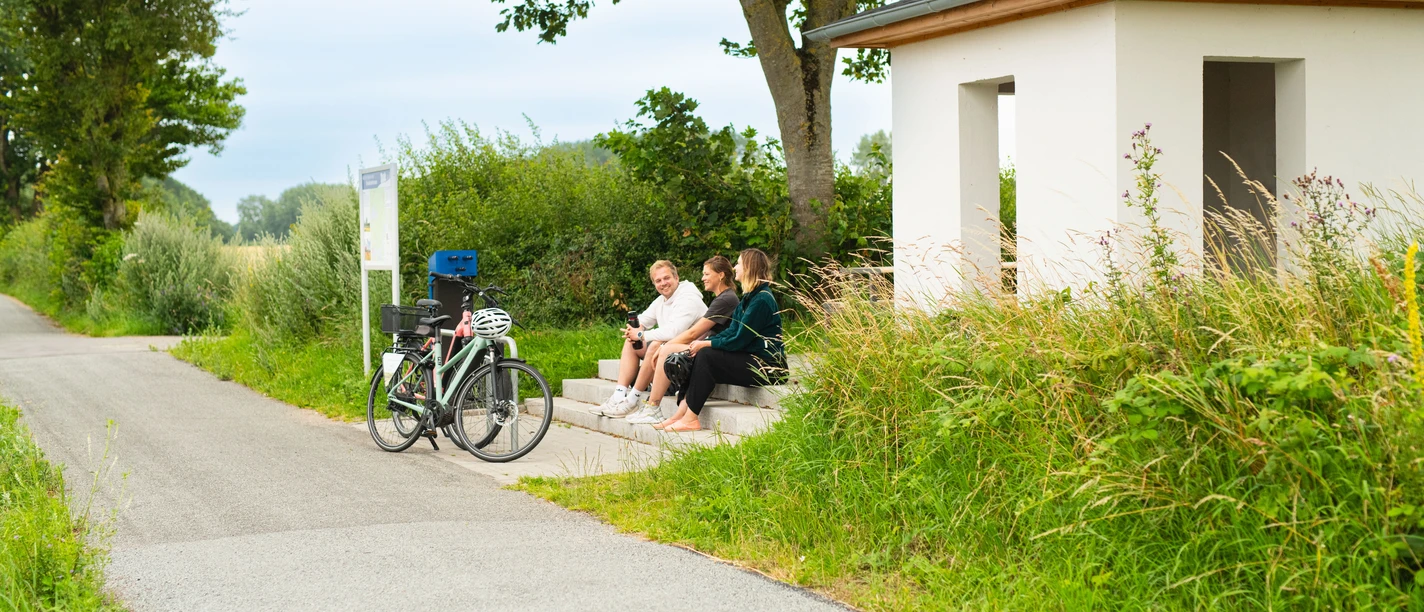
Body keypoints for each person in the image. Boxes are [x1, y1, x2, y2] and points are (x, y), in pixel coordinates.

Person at [660, 248, 785, 432]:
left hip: (768, 368)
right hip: (754, 361)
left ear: (749, 268)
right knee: (702, 353)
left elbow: (739, 339)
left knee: (707, 355)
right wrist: (703, 344)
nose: (735, 267)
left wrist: (708, 343)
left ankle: (690, 418)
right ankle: (682, 413)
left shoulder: (762, 300)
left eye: (739, 263)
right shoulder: (749, 298)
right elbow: (732, 331)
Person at [624, 256, 738, 425]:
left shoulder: (726, 299)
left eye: (706, 274)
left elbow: (693, 333)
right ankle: (632, 399)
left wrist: (662, 347)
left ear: (720, 275)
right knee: (659, 346)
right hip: (709, 347)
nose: (702, 278)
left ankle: (653, 407)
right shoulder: (721, 299)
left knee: (662, 348)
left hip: (717, 351)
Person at [594, 260, 706, 417]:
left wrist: (641, 334)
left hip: (690, 356)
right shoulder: (662, 300)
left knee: (655, 344)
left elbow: (674, 332)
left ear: (676, 278)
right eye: (658, 281)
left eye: (666, 278)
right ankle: (619, 396)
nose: (663, 283)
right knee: (631, 342)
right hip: (669, 353)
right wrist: (634, 331)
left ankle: (633, 400)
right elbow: (642, 321)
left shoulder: (688, 298)